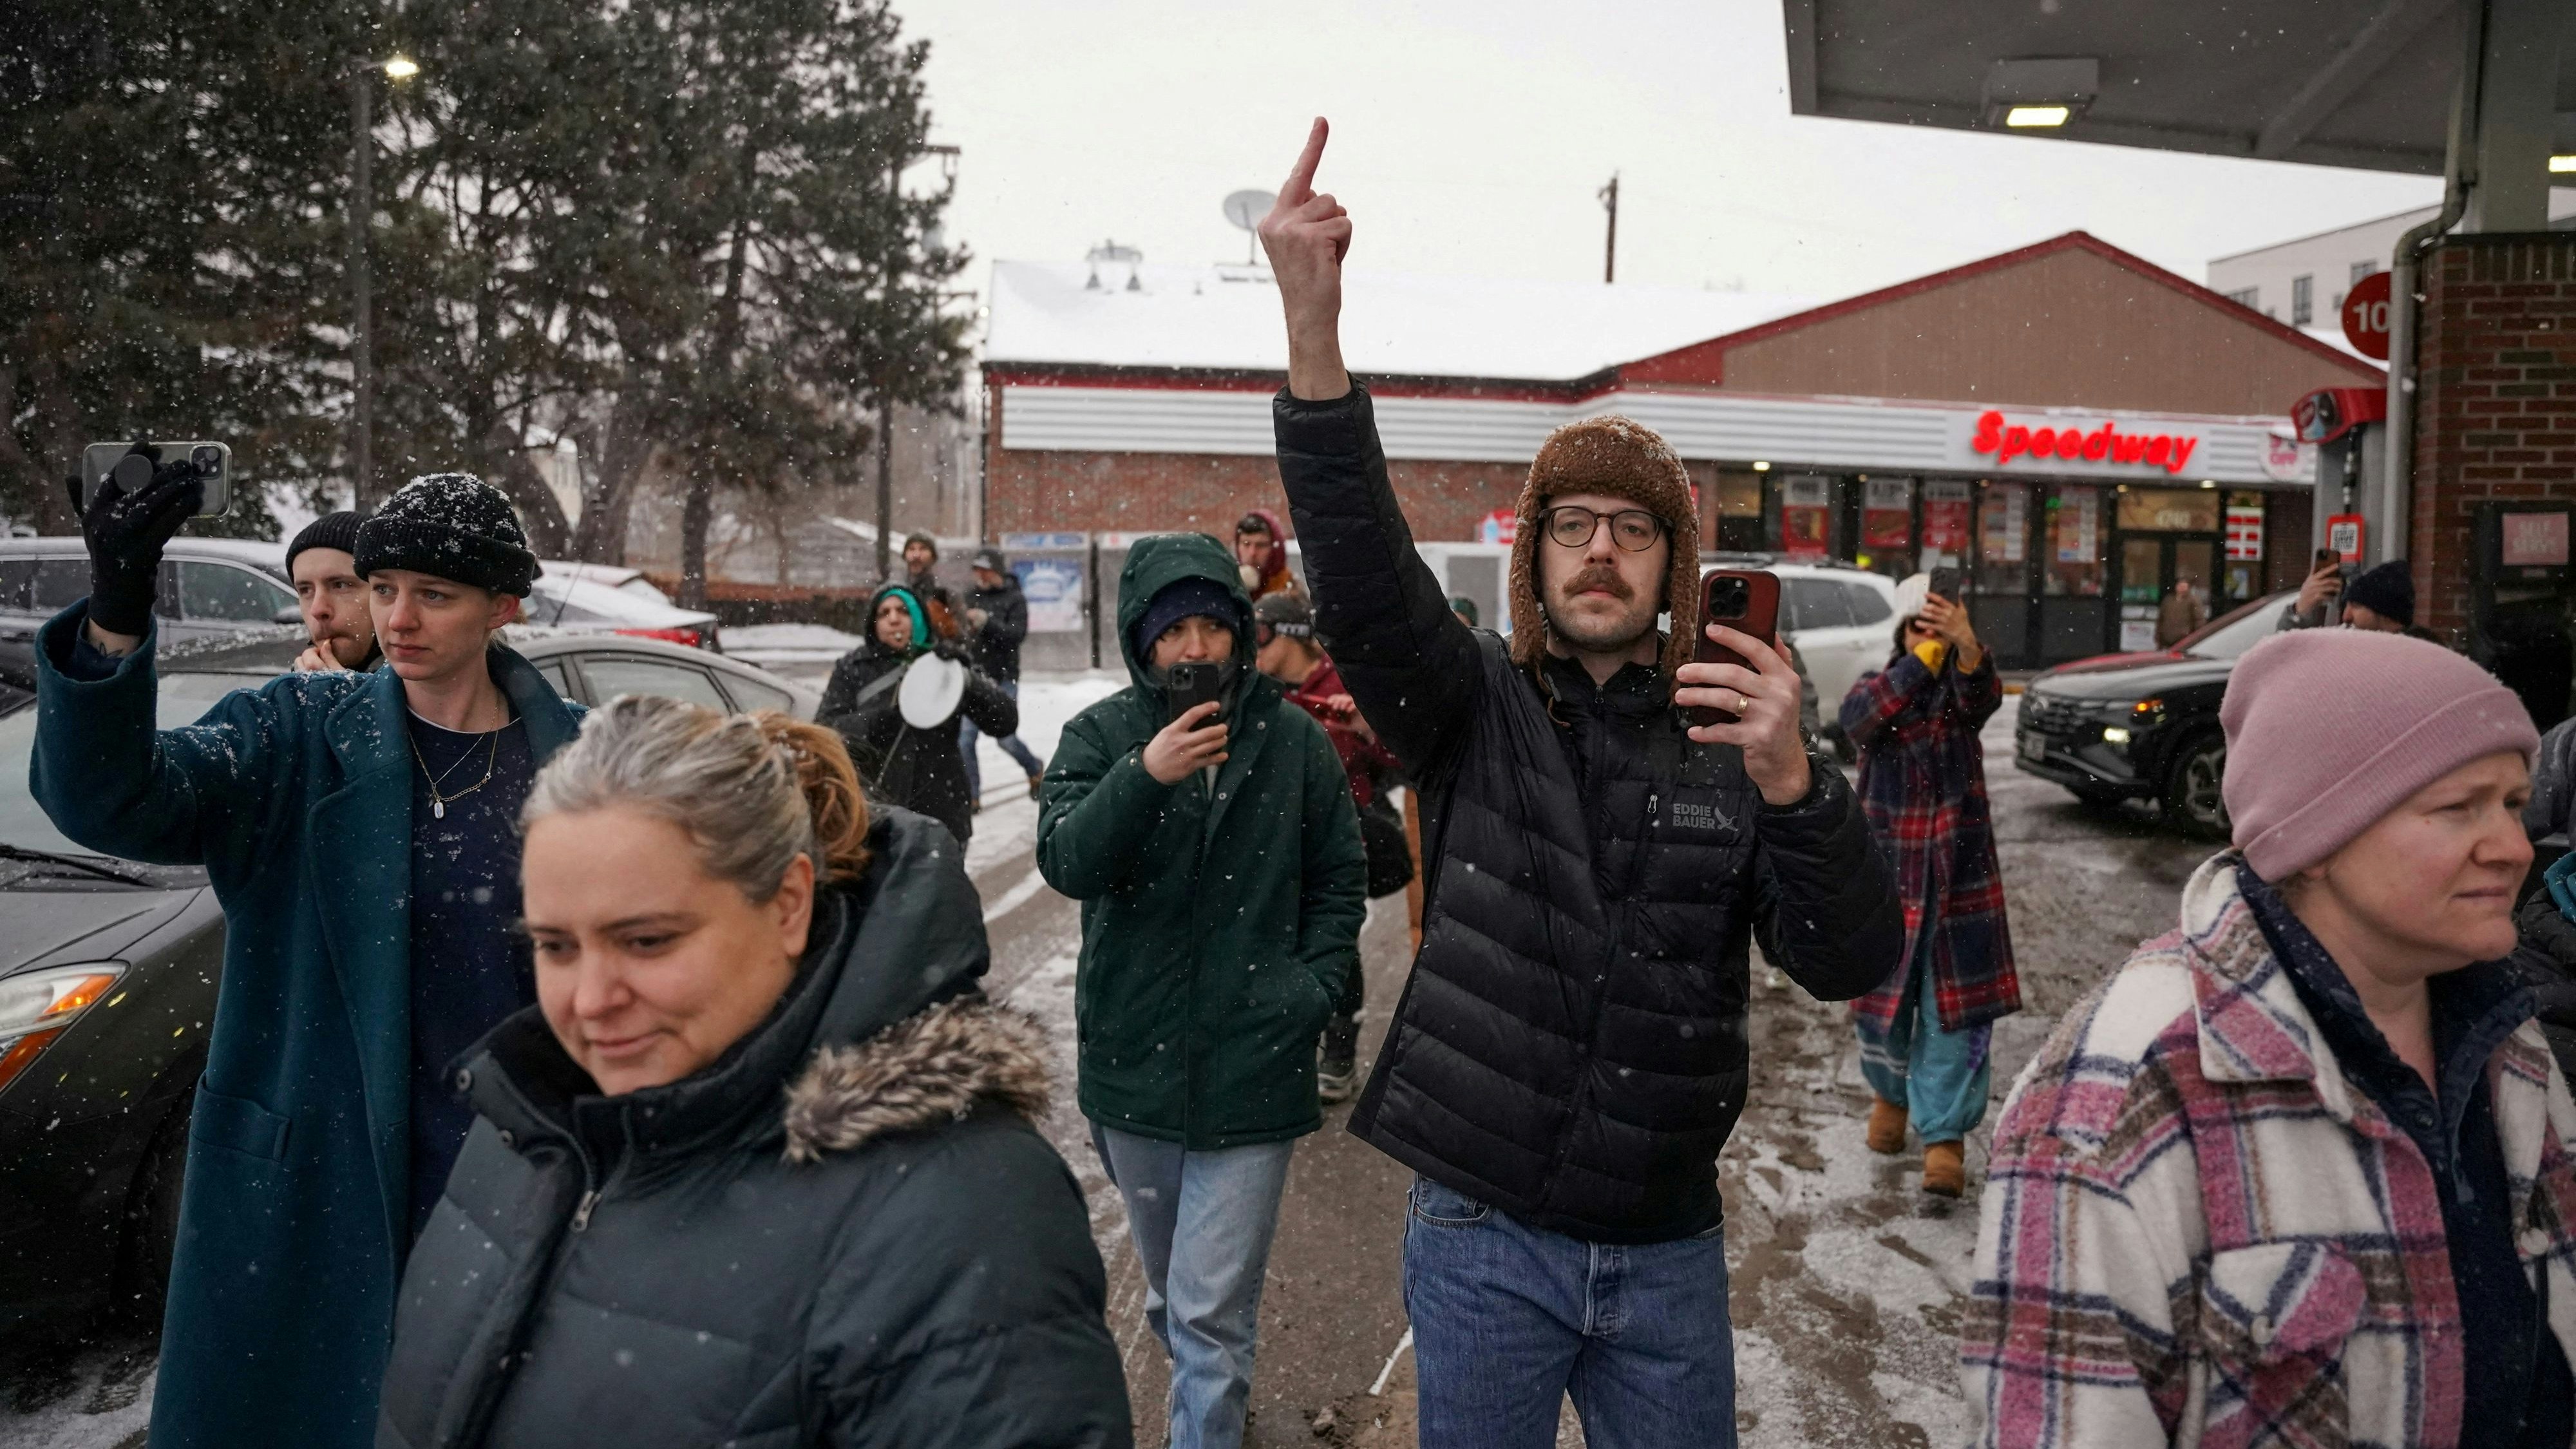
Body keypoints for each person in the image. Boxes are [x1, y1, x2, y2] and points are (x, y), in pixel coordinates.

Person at [1259, 118, 1901, 1449]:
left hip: (1666, 1250)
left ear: (1674, 569)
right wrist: (1314, 340)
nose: (1597, 551)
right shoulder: (1468, 706)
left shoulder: (1742, 734)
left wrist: (1797, 787)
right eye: (1570, 526)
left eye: (1629, 530)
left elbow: (1847, 960)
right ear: (1533, 557)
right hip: (1481, 1236)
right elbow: (1363, 565)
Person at [375, 696, 1131, 1448]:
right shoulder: (529, 1122)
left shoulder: (961, 1218)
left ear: (789, 904)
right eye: (556, 947)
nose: (590, 1003)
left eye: (645, 941)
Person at [31, 466, 580, 1449]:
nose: (398, 616)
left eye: (435, 594)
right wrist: (114, 616)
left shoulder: (584, 764)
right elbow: (111, 799)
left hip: (511, 1181)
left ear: (504, 605)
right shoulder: (293, 736)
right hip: (317, 1184)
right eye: (383, 589)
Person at [1964, 628, 2576, 1448]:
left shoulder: (2510, 1042)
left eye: (2509, 803)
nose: (2511, 846)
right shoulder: (2114, 1099)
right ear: (2315, 838)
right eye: (2456, 808)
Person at [1036, 533, 1367, 1449]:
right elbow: (1066, 860)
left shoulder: (1295, 741)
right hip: (1133, 1067)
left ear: (1239, 632)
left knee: (1212, 1310)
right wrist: (1145, 775)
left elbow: (1342, 875)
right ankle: (1207, 1394)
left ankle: (1206, 1418)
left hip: (1255, 1065)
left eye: (1210, 627)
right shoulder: (1101, 735)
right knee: (1170, 1292)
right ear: (1144, 642)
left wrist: (1311, 987)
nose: (1193, 649)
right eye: (1172, 630)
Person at [1837, 576, 2020, 1197]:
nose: (1931, 638)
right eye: (1920, 626)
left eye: (1939, 626)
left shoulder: (1962, 694)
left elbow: (1983, 698)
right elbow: (1856, 721)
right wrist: (1918, 664)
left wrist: (1966, 648)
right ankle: (1889, 1098)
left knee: (1955, 1015)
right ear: (1902, 634)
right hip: (1888, 875)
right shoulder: (1882, 686)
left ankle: (1944, 1136)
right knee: (1883, 1010)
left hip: (1957, 880)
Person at [1253, 589, 1408, 1104]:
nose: (1250, 646)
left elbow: (1403, 759)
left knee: (1334, 944)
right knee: (1273, 943)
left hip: (1338, 842)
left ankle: (1339, 1052)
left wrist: (1364, 726)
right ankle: (1285, 1045)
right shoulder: (1257, 691)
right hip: (1272, 840)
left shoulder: (1344, 686)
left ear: (1292, 635)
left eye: (1260, 635)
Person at [819, 582, 1016, 845]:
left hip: (941, 815)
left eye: (903, 611)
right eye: (884, 613)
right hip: (875, 816)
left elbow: (1004, 721)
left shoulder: (944, 663)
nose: (893, 619)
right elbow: (825, 731)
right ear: (873, 623)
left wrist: (967, 679)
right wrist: (875, 723)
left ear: (919, 617)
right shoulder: (853, 667)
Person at [961, 545, 1047, 805]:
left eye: (986, 571)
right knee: (965, 740)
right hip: (973, 677)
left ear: (997, 572)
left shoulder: (1014, 598)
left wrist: (988, 623)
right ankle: (972, 797)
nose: (981, 577)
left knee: (1006, 740)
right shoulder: (969, 595)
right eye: (977, 571)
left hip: (1003, 677)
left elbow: (1016, 636)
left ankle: (1033, 767)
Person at [287, 509, 380, 671]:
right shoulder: (290, 689)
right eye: (306, 590)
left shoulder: (427, 690)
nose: (318, 610)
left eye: (340, 585)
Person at [1233, 507, 1301, 601]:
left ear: (1275, 549)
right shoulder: (1228, 583)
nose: (1252, 553)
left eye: (1261, 545)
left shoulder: (1290, 591)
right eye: (1246, 544)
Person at [901, 530, 961, 634]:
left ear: (933, 557)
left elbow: (963, 639)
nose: (916, 555)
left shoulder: (946, 594)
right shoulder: (896, 591)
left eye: (923, 549)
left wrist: (945, 626)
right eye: (911, 549)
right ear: (905, 555)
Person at [2153, 576, 2206, 647]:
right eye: (2180, 586)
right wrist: (2158, 635)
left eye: (2184, 586)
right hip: (2166, 639)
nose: (2182, 588)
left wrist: (2196, 636)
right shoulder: (2168, 600)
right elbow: (2161, 619)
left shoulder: (2193, 601)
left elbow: (2199, 620)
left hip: (2183, 639)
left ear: (2188, 587)